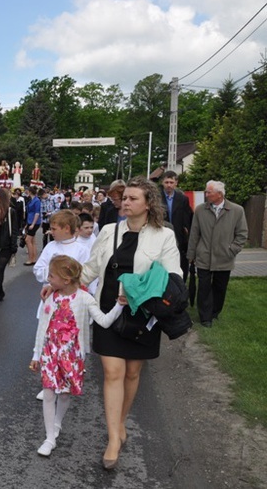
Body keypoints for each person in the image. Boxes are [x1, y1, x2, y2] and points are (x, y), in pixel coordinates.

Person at [77, 176, 181, 470]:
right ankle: (112, 438)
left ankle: (121, 422)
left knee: (132, 373)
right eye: (125, 198)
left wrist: (142, 292)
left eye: (133, 198)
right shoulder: (108, 231)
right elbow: (91, 269)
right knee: (112, 371)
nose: (125, 202)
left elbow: (174, 276)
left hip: (143, 314)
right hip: (109, 309)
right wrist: (63, 285)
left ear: (148, 204)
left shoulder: (164, 236)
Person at [29, 255, 125, 457]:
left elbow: (104, 321)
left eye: (52, 276)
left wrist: (119, 305)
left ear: (65, 279)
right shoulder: (51, 296)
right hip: (49, 352)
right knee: (48, 393)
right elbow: (42, 327)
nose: (48, 279)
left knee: (64, 394)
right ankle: (49, 438)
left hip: (71, 356)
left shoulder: (85, 298)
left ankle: (57, 423)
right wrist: (36, 354)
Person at [187, 180, 248, 328]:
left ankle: (215, 312)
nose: (206, 194)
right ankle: (205, 317)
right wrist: (191, 255)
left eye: (209, 192)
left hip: (224, 257)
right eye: (206, 191)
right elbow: (194, 234)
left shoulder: (237, 210)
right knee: (204, 287)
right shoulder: (200, 210)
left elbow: (242, 234)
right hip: (204, 256)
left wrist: (231, 250)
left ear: (219, 194)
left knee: (220, 288)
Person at [160, 171, 194, 281]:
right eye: (166, 182)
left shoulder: (182, 198)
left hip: (179, 237)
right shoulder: (156, 197)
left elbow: (187, 217)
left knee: (180, 264)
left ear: (176, 183)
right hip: (161, 234)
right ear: (162, 182)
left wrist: (187, 233)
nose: (169, 185)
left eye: (171, 182)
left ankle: (180, 287)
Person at [24, 186, 42, 265]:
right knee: (32, 241)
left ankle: (31, 259)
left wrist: (33, 223)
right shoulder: (31, 200)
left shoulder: (36, 200)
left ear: (30, 192)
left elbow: (37, 213)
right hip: (30, 220)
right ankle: (33, 258)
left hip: (34, 222)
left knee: (28, 240)